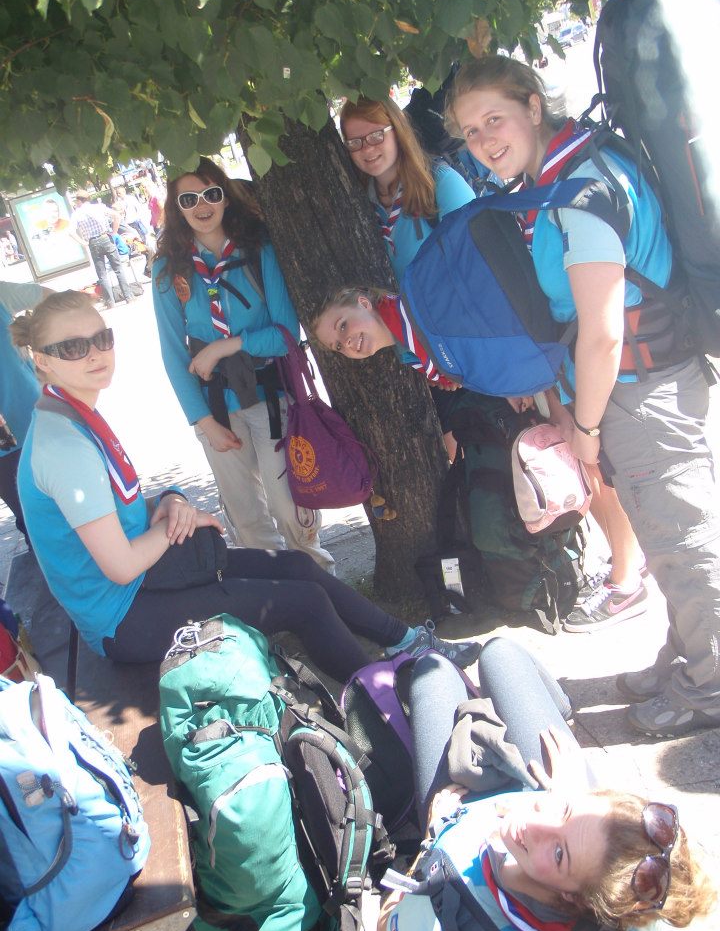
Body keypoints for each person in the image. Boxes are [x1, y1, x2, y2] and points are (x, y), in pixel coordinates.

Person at [444, 54, 720, 734]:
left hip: (639, 390)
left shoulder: (581, 191)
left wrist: (586, 430)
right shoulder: (572, 171)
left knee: (683, 538)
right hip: (633, 388)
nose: (483, 141)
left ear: (533, 106)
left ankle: (712, 683)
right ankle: (690, 651)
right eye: (471, 132)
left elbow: (601, 334)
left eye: (494, 119)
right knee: (663, 533)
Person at [12, 290, 481, 677]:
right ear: (41, 361)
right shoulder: (65, 445)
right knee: (305, 602)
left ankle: (407, 642)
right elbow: (120, 565)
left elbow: (114, 506)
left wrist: (171, 498)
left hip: (150, 579)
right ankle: (385, 701)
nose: (94, 353)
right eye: (73, 348)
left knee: (296, 566)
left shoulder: (71, 413)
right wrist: (180, 521)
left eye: (101, 338)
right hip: (123, 616)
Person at [313, 287, 648, 633]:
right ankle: (628, 561)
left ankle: (626, 582)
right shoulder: (405, 342)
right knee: (581, 467)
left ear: (363, 303)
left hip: (540, 375)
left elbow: (496, 336)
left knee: (589, 468)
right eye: (337, 345)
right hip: (529, 379)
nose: (346, 342)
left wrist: (544, 399)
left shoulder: (414, 317)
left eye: (343, 325)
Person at [378, 639, 716, 931]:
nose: (534, 822)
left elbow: (384, 930)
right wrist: (570, 798)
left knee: (431, 669)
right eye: (568, 812)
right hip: (539, 804)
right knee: (500, 652)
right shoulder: (636, 902)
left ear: (572, 898)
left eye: (559, 854)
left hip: (452, 818)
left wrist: (430, 842)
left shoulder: (445, 919)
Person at [152, 158, 335, 571]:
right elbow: (172, 354)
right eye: (188, 199)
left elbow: (285, 334)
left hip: (271, 395)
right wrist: (205, 422)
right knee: (246, 518)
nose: (202, 206)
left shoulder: (258, 249)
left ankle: (322, 580)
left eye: (211, 194)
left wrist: (224, 347)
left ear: (225, 197)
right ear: (176, 207)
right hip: (217, 407)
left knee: (289, 505)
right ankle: (282, 591)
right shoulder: (169, 268)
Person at [340, 96, 477, 459]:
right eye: (355, 142)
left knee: (493, 462)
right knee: (457, 467)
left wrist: (449, 358)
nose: (367, 149)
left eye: (376, 136)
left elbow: (481, 270)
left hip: (464, 350)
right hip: (416, 360)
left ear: (397, 130)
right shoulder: (360, 202)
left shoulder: (439, 183)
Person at [0, 281, 50, 545]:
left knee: (67, 501)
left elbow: (54, 299)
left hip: (37, 418)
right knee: (32, 520)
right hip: (6, 447)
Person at [69, 189, 135, 309]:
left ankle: (110, 302)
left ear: (79, 200)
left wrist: (83, 243)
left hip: (93, 242)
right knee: (118, 269)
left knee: (102, 274)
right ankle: (129, 296)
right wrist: (114, 232)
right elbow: (116, 215)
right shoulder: (99, 207)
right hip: (106, 237)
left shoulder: (76, 214)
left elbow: (71, 231)